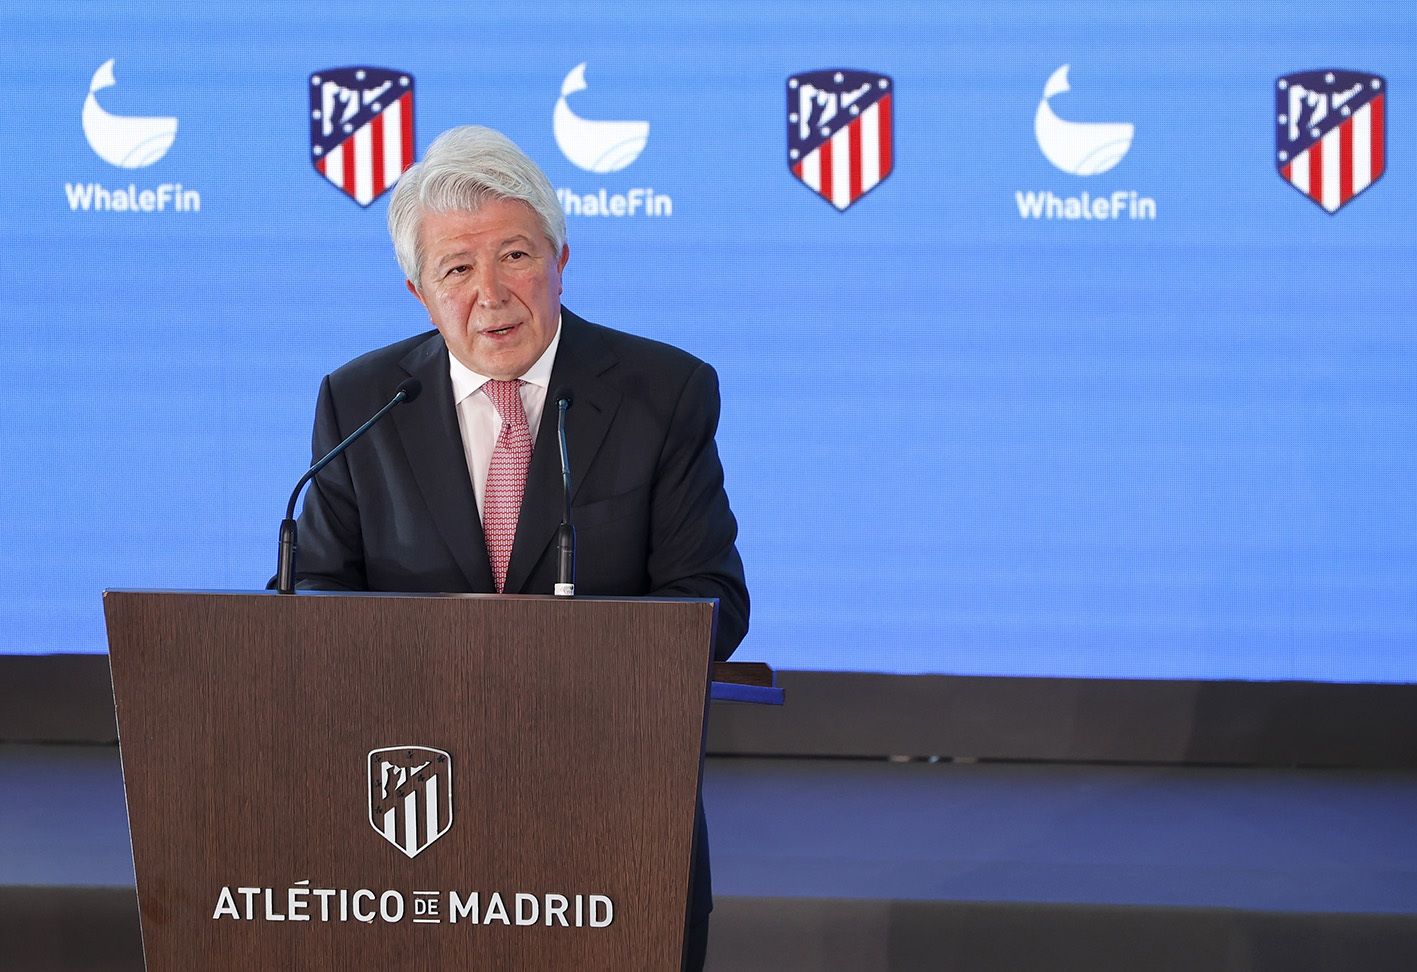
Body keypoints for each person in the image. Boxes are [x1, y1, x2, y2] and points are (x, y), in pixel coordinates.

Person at [289, 125, 748, 969]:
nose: (492, 294)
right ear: (418, 291)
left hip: (610, 809)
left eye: (516, 256)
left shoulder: (664, 392)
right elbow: (313, 591)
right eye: (458, 269)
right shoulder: (359, 400)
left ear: (562, 259)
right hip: (406, 816)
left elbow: (709, 598)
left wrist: (550, 666)